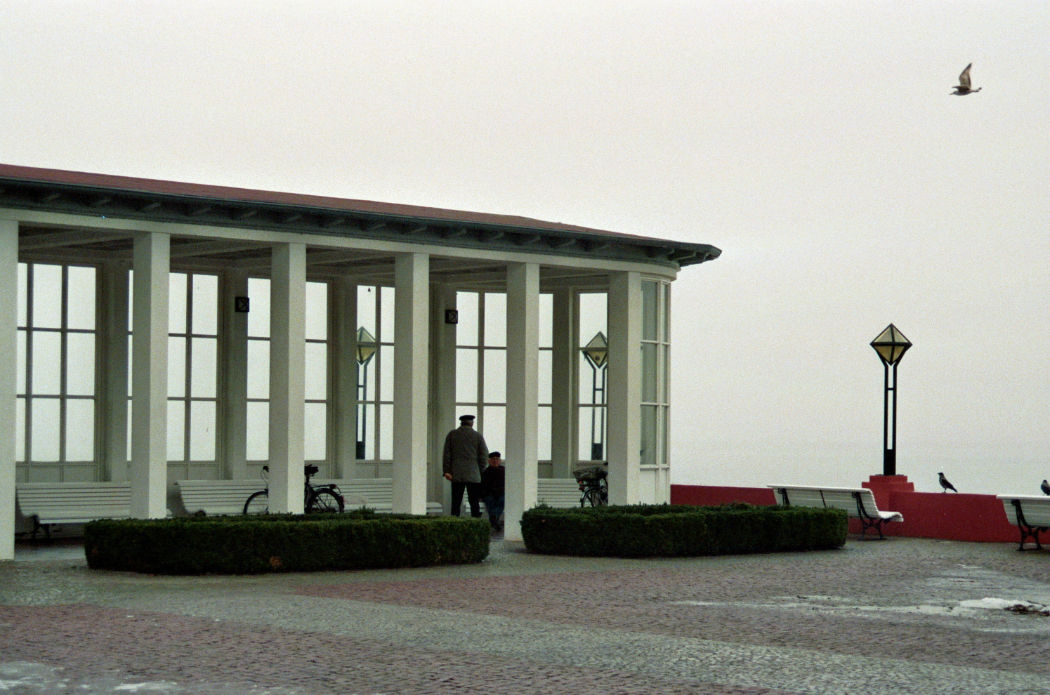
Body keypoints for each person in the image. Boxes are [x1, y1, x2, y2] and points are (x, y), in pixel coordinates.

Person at [442, 414, 487, 517]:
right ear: (472, 423)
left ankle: (455, 523)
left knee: (456, 502)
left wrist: (447, 471)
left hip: (456, 473)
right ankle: (475, 523)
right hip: (473, 473)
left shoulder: (452, 435)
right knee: (474, 501)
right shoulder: (477, 436)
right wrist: (480, 470)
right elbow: (483, 455)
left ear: (461, 423)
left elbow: (446, 454)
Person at [481, 451, 505, 532]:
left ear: (500, 460)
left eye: (497, 459)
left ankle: (494, 519)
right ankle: (495, 520)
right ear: (489, 461)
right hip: (489, 494)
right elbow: (484, 486)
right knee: (490, 501)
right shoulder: (485, 472)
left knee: (502, 501)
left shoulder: (504, 471)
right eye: (493, 459)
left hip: (501, 494)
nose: (495, 461)